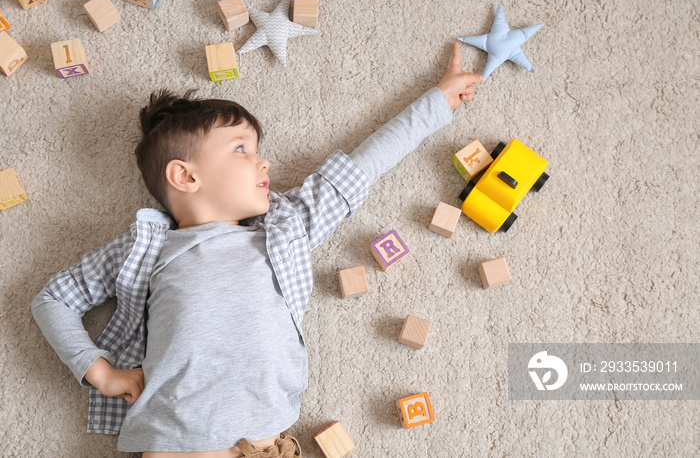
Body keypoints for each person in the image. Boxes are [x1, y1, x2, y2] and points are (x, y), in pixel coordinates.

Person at [31, 42, 482, 458]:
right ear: (186, 177)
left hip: (264, 444)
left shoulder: (286, 228)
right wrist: (100, 372)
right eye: (242, 149)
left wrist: (438, 101)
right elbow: (52, 300)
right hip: (177, 444)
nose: (262, 160)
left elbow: (361, 169)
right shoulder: (145, 248)